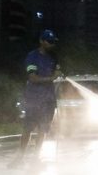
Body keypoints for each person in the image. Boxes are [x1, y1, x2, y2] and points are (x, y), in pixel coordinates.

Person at [10, 29, 61, 168]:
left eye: (53, 42)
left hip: (48, 100)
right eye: (49, 42)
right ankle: (19, 158)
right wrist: (51, 78)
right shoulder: (32, 57)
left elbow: (57, 70)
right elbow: (32, 77)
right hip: (34, 98)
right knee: (28, 128)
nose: (51, 44)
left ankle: (36, 158)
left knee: (43, 129)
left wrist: (57, 72)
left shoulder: (53, 57)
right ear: (41, 41)